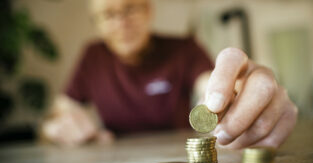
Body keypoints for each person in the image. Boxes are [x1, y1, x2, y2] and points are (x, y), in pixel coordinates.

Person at [41, 0, 298, 149]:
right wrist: (54, 128)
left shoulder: (185, 48)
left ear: (148, 10)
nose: (121, 21)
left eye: (130, 8)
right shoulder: (92, 57)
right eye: (108, 15)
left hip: (183, 160)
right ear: (96, 23)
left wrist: (236, 92)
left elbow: (208, 85)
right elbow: (56, 115)